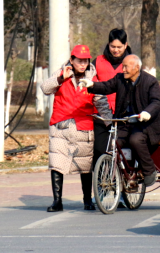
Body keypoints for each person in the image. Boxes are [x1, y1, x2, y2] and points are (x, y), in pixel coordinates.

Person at [41, 45, 111, 212]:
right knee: (57, 163)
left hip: (83, 126)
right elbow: (45, 88)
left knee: (85, 165)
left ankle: (87, 200)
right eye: (79, 60)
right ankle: (57, 201)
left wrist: (110, 122)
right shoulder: (61, 73)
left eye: (85, 61)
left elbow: (101, 102)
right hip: (60, 125)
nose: (83, 64)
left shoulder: (93, 78)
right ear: (71, 60)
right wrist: (60, 79)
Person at [81, 54, 160, 187]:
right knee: (114, 143)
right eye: (122, 66)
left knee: (135, 140)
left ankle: (149, 170)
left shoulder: (150, 81)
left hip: (144, 125)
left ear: (137, 67)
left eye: (126, 66)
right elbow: (107, 86)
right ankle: (121, 175)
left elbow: (157, 101)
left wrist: (147, 112)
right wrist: (92, 85)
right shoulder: (120, 79)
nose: (123, 69)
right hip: (124, 123)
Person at [92, 29, 132, 164]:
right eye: (112, 46)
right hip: (101, 115)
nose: (116, 50)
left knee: (124, 151)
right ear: (108, 44)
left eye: (119, 47)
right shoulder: (97, 62)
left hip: (124, 115)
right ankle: (101, 181)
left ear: (126, 45)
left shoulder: (133, 62)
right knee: (99, 149)